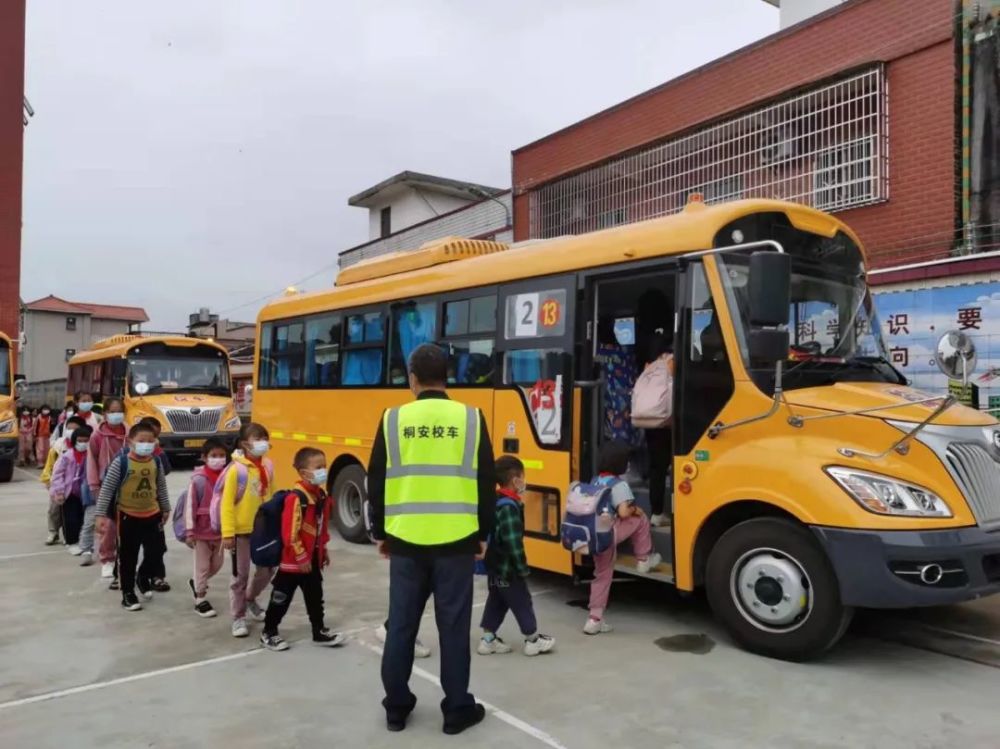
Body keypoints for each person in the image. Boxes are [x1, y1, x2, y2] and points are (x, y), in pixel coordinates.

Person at [368, 343, 496, 735]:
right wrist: (482, 534)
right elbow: (486, 481)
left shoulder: (392, 419)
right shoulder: (471, 418)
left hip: (406, 541)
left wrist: (380, 532)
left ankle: (396, 709)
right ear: (447, 376)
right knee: (454, 629)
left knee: (401, 626)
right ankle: (456, 711)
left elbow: (377, 480)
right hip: (457, 542)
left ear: (412, 378)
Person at [260, 447, 345, 651]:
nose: (323, 471)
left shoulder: (320, 496)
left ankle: (319, 631)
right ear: (303, 473)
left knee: (315, 598)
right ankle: (269, 632)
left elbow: (320, 528)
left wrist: (323, 550)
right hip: (292, 563)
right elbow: (290, 533)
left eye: (324, 466)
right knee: (281, 598)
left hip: (312, 560)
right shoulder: (296, 498)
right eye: (318, 467)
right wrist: (301, 556)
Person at [478, 455, 555, 657]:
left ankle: (488, 640)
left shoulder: (496, 500)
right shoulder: (508, 507)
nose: (524, 481)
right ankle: (532, 639)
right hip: (508, 568)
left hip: (495, 566)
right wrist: (522, 567)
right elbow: (513, 543)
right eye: (523, 476)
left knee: (497, 600)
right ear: (516, 480)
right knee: (522, 601)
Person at [584, 441, 662, 636]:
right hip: (609, 533)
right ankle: (644, 558)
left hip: (594, 532)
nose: (628, 464)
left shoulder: (595, 480)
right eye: (627, 461)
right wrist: (636, 509)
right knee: (641, 518)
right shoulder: (619, 485)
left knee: (601, 574)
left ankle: (594, 619)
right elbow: (624, 512)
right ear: (620, 463)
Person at [96, 422, 170, 612]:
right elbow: (107, 489)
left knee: (157, 551)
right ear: (130, 442)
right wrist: (100, 515)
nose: (146, 445)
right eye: (141, 441)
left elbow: (161, 486)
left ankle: (143, 576)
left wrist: (165, 508)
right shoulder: (121, 463)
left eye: (150, 441)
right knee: (128, 556)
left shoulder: (156, 462)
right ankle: (128, 593)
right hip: (127, 516)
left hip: (152, 514)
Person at [221, 422, 276, 638]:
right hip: (241, 532)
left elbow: (272, 497)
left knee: (267, 570)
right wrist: (228, 533)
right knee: (240, 575)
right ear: (245, 444)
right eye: (257, 439)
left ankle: (250, 598)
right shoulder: (237, 470)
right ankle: (238, 616)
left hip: (263, 530)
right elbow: (226, 504)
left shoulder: (268, 466)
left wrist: (275, 523)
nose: (263, 443)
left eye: (265, 438)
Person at [185, 438, 228, 618]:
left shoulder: (228, 477)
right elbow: (190, 506)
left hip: (221, 532)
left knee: (217, 564)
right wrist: (190, 531)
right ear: (204, 457)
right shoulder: (198, 480)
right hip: (202, 533)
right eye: (213, 455)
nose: (218, 459)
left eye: (222, 455)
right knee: (202, 567)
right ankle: (200, 599)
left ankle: (196, 582)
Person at [83, 397, 127, 570]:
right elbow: (91, 461)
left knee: (127, 526)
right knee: (108, 526)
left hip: (127, 485)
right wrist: (94, 485)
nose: (116, 415)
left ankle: (125, 559)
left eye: (119, 411)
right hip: (106, 486)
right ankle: (107, 560)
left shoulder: (131, 433)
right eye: (112, 411)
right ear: (105, 413)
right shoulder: (97, 435)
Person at [641, 333, 674, 527]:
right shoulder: (670, 361)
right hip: (666, 420)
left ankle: (656, 512)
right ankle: (673, 510)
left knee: (656, 467)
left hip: (649, 419)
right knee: (674, 464)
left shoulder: (648, 364)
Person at [136, 416, 171, 592]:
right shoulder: (124, 456)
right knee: (129, 547)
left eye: (155, 438)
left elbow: (166, 471)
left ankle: (157, 576)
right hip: (131, 510)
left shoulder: (157, 456)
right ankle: (121, 576)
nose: (151, 442)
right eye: (147, 439)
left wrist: (165, 508)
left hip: (153, 507)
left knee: (157, 546)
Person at [40, 415, 86, 545]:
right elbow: (51, 464)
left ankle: (71, 535)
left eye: (74, 429)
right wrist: (48, 480)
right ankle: (53, 532)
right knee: (54, 510)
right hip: (59, 484)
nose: (71, 432)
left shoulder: (85, 444)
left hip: (77, 487)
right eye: (68, 428)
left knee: (73, 513)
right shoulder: (58, 445)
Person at [49, 425, 92, 553]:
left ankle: (82, 541)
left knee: (83, 518)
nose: (83, 443)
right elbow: (58, 474)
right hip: (69, 492)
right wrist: (59, 491)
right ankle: (71, 541)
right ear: (74, 441)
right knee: (70, 519)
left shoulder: (91, 456)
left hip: (85, 493)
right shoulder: (66, 456)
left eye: (86, 441)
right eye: (80, 440)